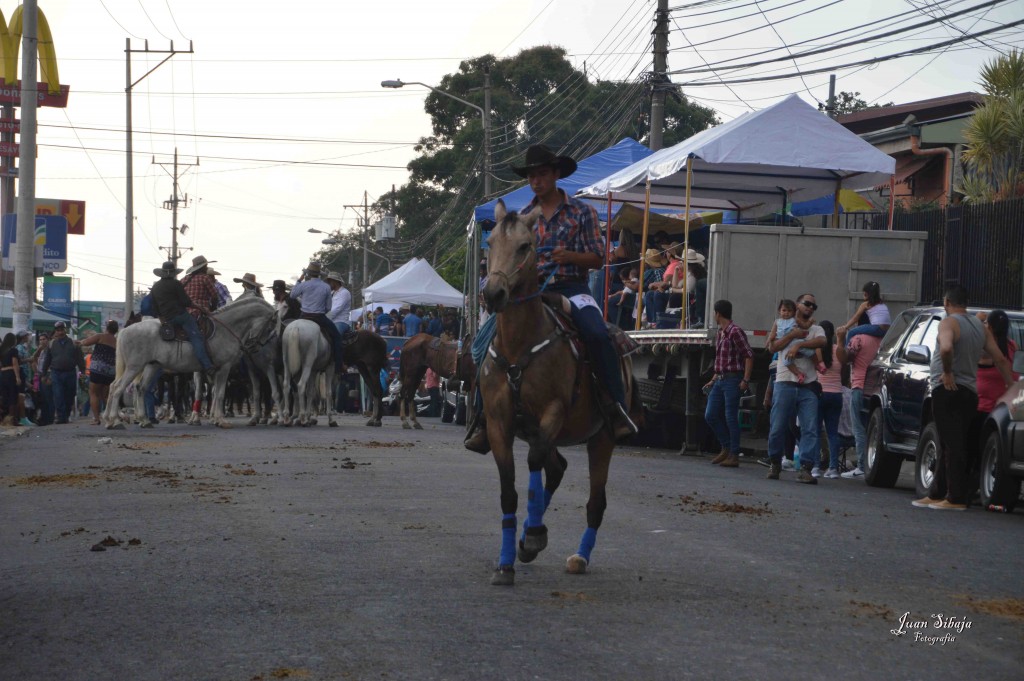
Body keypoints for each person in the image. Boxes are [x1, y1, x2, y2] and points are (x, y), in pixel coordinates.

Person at [465, 144, 638, 454]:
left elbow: (598, 258)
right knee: (483, 346)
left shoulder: (582, 211)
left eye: (542, 174)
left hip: (572, 288)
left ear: (556, 175)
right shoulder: (520, 219)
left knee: (598, 335)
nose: (536, 181)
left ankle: (615, 408)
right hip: (528, 292)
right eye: (532, 176)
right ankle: (481, 418)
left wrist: (569, 255)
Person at [912, 287, 1013, 510]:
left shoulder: (948, 323)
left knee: (953, 444)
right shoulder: (980, 327)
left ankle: (956, 497)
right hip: (969, 391)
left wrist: (947, 372)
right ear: (966, 303)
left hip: (947, 388)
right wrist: (1010, 385)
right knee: (947, 442)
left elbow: (946, 347)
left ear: (947, 302)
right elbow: (1000, 358)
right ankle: (937, 493)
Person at [766, 294, 826, 483]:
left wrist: (799, 343)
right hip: (785, 382)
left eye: (813, 306)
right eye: (807, 304)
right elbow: (772, 347)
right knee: (778, 426)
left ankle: (806, 467)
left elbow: (822, 342)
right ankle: (775, 461)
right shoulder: (784, 324)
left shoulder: (816, 328)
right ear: (797, 305)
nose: (810, 308)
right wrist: (793, 336)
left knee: (810, 428)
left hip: (808, 385)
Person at [703, 300, 754, 468]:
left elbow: (748, 355)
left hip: (733, 378)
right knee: (710, 414)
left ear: (718, 314)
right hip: (720, 378)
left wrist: (745, 379)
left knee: (730, 416)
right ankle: (726, 446)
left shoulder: (735, 332)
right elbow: (721, 360)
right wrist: (713, 379)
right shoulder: (721, 333)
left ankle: (733, 453)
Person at [835, 320, 883, 479]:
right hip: (877, 391)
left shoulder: (859, 338)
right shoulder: (884, 340)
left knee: (859, 428)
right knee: (872, 429)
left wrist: (841, 340)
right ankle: (870, 465)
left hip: (859, 387)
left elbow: (844, 358)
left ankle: (862, 466)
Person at [150, 260, 215, 372]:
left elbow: (155, 307)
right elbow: (186, 302)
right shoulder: (175, 284)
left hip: (167, 318)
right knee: (196, 337)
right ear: (173, 272)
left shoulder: (155, 287)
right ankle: (207, 365)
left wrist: (163, 321)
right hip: (181, 316)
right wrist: (201, 308)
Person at [289, 262, 344, 375]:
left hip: (303, 316)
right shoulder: (326, 287)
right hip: (319, 317)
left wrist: (300, 279)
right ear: (319, 274)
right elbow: (328, 307)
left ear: (308, 274)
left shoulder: (304, 285)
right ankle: (338, 368)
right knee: (337, 338)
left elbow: (292, 295)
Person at [815, 321, 844, 479]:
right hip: (836, 395)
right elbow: (845, 369)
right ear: (832, 334)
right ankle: (833, 468)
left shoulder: (817, 351)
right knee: (833, 433)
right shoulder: (837, 350)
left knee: (816, 431)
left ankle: (815, 466)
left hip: (819, 394)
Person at [42, 321, 85, 424]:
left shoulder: (74, 344)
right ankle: (61, 417)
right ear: (55, 331)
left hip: (70, 372)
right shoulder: (52, 344)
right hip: (56, 373)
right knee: (58, 394)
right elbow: (47, 359)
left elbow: (80, 359)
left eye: (62, 330)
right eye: (58, 330)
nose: (60, 332)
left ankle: (66, 413)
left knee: (70, 394)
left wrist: (83, 371)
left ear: (65, 330)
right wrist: (43, 374)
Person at [77, 321, 118, 425]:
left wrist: (80, 342)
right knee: (105, 395)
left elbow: (86, 342)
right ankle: (111, 417)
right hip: (111, 371)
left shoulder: (101, 336)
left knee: (93, 393)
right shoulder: (117, 341)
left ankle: (96, 419)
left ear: (107, 328)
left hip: (97, 370)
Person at [840, 281, 891, 347]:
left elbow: (855, 318)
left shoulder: (866, 304)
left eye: (864, 292)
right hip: (887, 330)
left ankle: (846, 351)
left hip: (876, 328)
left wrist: (845, 327)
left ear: (867, 293)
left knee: (851, 332)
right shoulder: (882, 304)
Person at [0, 332, 24, 425]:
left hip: (3, 374)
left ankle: (3, 418)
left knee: (4, 396)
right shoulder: (13, 350)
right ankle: (11, 419)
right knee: (13, 396)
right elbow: (15, 364)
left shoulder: (1, 349)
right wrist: (18, 377)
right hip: (11, 374)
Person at [325, 271, 352, 336]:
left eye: (330, 281)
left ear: (335, 281)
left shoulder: (344, 293)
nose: (328, 283)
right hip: (331, 321)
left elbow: (336, 309)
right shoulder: (332, 293)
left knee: (335, 337)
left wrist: (324, 318)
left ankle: (336, 346)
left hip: (341, 322)